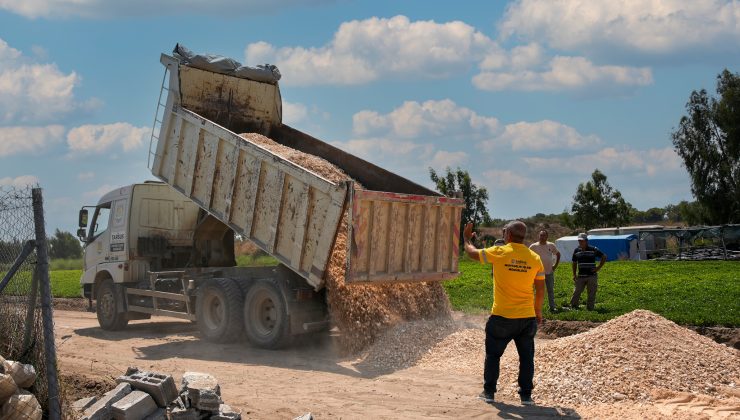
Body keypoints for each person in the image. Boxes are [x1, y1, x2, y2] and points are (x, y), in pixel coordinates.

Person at [463, 221, 545, 406]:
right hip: (526, 317)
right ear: (523, 236)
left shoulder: (499, 252)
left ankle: (489, 392)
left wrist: (466, 238)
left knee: (493, 356)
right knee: (526, 358)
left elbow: (471, 253)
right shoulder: (534, 258)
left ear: (507, 234)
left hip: (502, 317)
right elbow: (540, 291)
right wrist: (537, 311)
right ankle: (526, 396)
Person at [570, 233, 607, 311]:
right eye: (579, 241)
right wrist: (574, 274)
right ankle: (573, 306)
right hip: (580, 276)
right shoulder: (576, 250)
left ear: (586, 241)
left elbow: (604, 256)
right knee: (577, 291)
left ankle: (590, 308)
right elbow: (574, 263)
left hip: (592, 276)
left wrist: (598, 268)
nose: (580, 242)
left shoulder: (593, 249)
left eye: (582, 241)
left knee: (591, 293)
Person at [529, 230, 561, 313]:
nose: (542, 237)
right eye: (541, 235)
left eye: (544, 235)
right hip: (538, 273)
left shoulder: (551, 245)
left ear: (547, 237)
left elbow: (558, 254)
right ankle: (536, 308)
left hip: (549, 272)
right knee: (538, 291)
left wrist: (555, 266)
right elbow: (528, 257)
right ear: (538, 236)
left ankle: (552, 307)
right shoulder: (533, 246)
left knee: (550, 290)